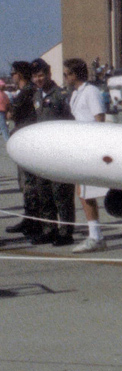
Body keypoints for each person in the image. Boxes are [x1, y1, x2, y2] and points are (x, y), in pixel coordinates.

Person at [63, 58, 108, 253]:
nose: (64, 78)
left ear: (74, 75)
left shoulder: (91, 92)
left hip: (89, 147)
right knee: (82, 192)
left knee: (86, 193)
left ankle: (96, 236)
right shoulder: (75, 94)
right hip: (79, 146)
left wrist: (94, 147)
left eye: (66, 74)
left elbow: (99, 118)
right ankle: (94, 233)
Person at [31, 58, 76, 245]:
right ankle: (49, 228)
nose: (38, 79)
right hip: (42, 152)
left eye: (41, 75)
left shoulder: (61, 95)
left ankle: (66, 232)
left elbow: (72, 120)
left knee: (61, 193)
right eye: (35, 76)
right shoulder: (37, 96)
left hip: (59, 150)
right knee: (44, 192)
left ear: (49, 74)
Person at [7, 61, 41, 239]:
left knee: (29, 183)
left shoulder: (28, 91)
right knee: (25, 183)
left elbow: (12, 112)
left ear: (19, 74)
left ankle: (35, 221)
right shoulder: (25, 91)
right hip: (22, 139)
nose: (12, 76)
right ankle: (29, 219)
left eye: (13, 73)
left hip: (28, 141)